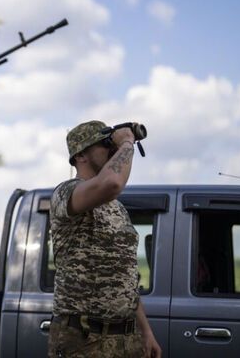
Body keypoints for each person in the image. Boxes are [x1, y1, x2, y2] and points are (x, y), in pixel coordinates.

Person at [48, 120, 162, 358]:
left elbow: (125, 279)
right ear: (81, 155)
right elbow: (111, 183)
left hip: (125, 339)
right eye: (105, 145)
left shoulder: (117, 209)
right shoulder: (65, 193)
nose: (112, 150)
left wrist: (146, 332)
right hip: (83, 339)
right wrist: (127, 143)